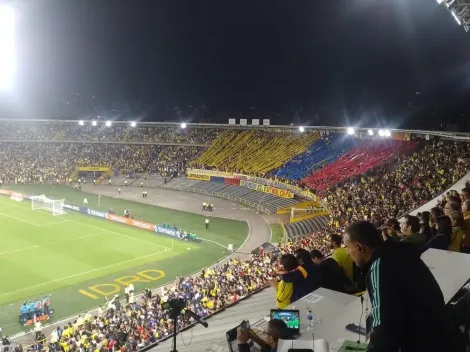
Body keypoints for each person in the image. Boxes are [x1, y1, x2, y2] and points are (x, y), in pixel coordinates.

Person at [344, 220, 454, 352]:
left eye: (347, 247)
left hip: (424, 343)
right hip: (443, 333)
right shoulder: (399, 250)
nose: (347, 252)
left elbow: (384, 332)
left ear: (360, 247)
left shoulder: (380, 266)